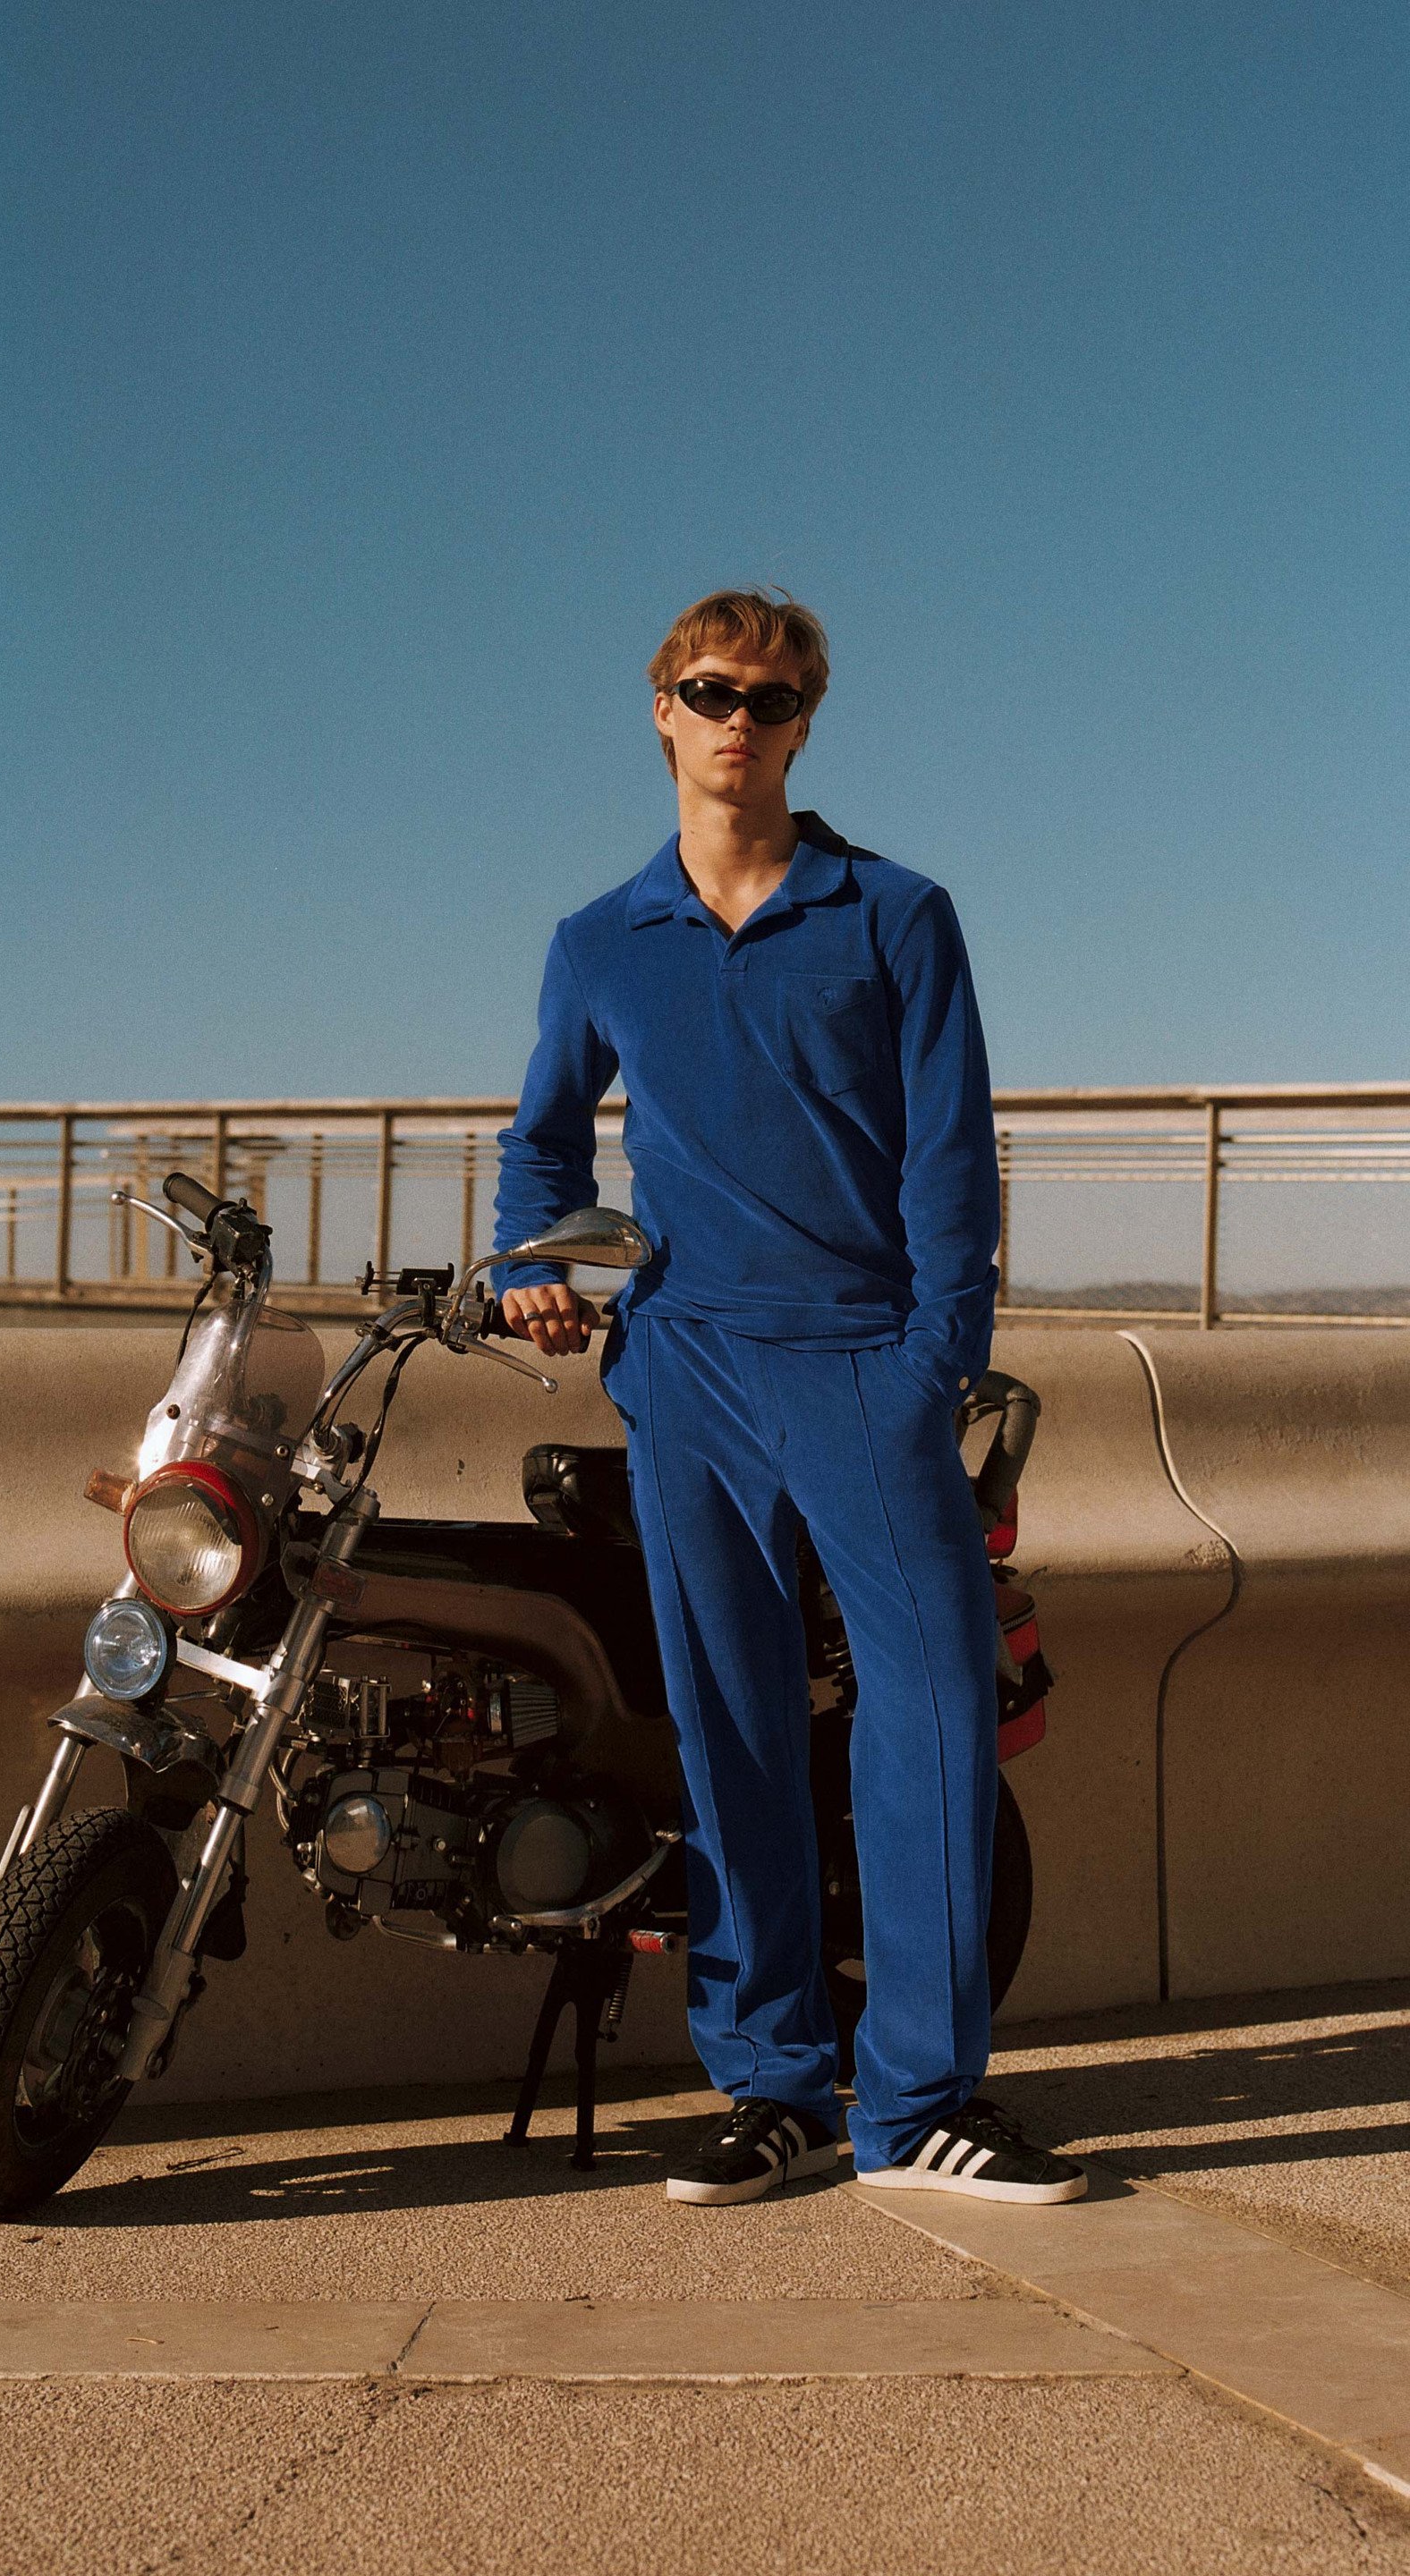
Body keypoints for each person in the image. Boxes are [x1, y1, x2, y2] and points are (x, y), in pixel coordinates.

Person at [492, 588, 1084, 2209]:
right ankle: (774, 2089)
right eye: (709, 691)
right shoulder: (600, 941)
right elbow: (540, 1142)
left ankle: (917, 2102)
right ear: (662, 712)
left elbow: (956, 1163)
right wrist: (523, 1261)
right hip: (688, 1371)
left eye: (770, 697)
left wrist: (928, 1369)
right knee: (730, 1727)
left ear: (805, 722)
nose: (737, 718)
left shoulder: (896, 914)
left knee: (938, 1725)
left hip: (866, 1363)